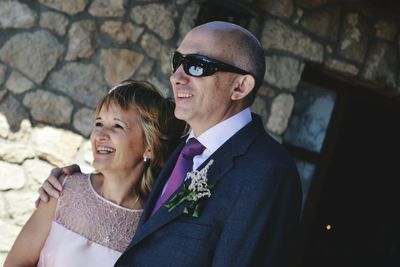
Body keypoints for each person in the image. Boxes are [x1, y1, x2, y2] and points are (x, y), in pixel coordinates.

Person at [36, 21, 302, 267]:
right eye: (178, 61)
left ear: (240, 87)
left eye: (197, 65)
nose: (177, 76)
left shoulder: (267, 173)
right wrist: (70, 182)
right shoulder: (177, 148)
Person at [4, 80, 187, 267]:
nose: (100, 135)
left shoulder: (150, 223)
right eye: (98, 123)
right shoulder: (62, 190)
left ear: (149, 146)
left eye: (117, 126)